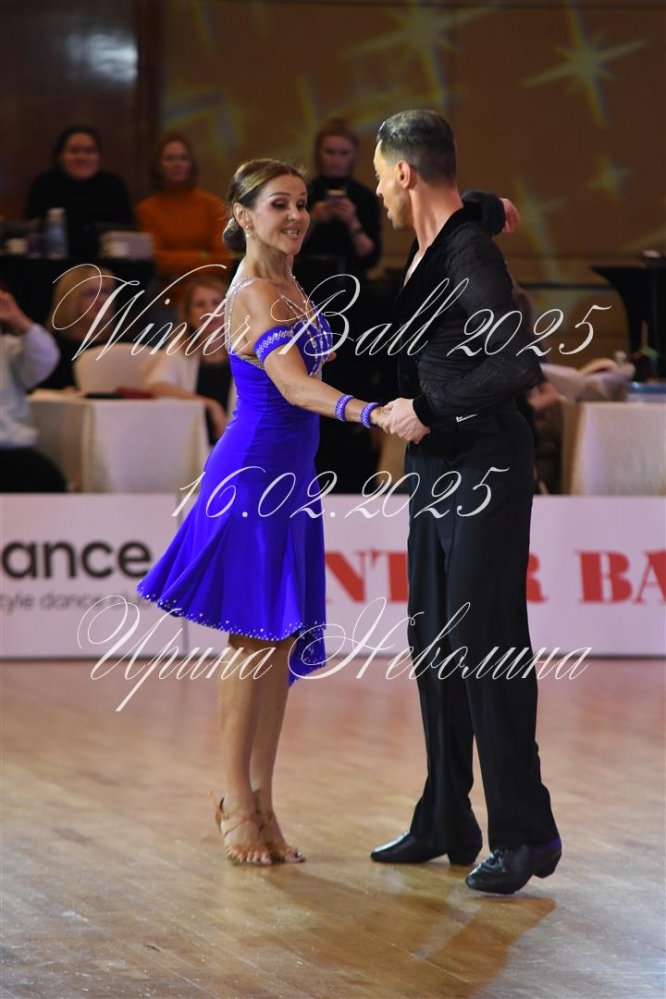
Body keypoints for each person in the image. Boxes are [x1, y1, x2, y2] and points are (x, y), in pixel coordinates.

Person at [137, 159, 387, 866]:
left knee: (277, 640)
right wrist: (371, 412)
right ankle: (232, 800)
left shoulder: (292, 284)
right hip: (251, 477)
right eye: (280, 204)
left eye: (302, 203)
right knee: (252, 641)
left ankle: (262, 800)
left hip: (291, 480)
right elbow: (296, 388)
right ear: (243, 216)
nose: (297, 216)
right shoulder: (253, 292)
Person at [371, 110, 561, 895]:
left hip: (483, 460)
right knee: (433, 639)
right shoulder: (442, 241)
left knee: (486, 642)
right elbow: (460, 209)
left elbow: (516, 364)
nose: (378, 194)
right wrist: (483, 202)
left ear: (404, 173)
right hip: (438, 463)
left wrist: (430, 409)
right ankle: (446, 816)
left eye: (381, 177)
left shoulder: (468, 252)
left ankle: (526, 830)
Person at [135, 134, 231, 286]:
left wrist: (176, 263)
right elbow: (156, 260)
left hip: (211, 292)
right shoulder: (146, 210)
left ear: (191, 164)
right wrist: (201, 256)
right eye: (170, 159)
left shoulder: (212, 205)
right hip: (167, 293)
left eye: (183, 158)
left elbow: (223, 260)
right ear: (158, 166)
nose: (177, 164)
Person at [146, 274, 232, 443]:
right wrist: (209, 404)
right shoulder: (180, 347)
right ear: (188, 315)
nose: (209, 311)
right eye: (200, 304)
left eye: (216, 303)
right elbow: (156, 384)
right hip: (189, 444)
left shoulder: (247, 351)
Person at [25, 126, 134, 257]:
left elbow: (128, 233)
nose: (82, 157)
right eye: (74, 151)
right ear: (60, 156)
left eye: (89, 151)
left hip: (106, 264)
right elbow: (31, 231)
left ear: (99, 156)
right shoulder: (44, 184)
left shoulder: (114, 185)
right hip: (53, 262)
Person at [0, 289, 67, 492]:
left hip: (9, 449)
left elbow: (44, 360)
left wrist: (21, 322)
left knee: (45, 478)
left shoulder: (9, 348)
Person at [39, 266, 117, 390]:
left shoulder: (123, 345)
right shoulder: (50, 349)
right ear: (70, 300)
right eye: (91, 293)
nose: (101, 299)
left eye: (106, 292)